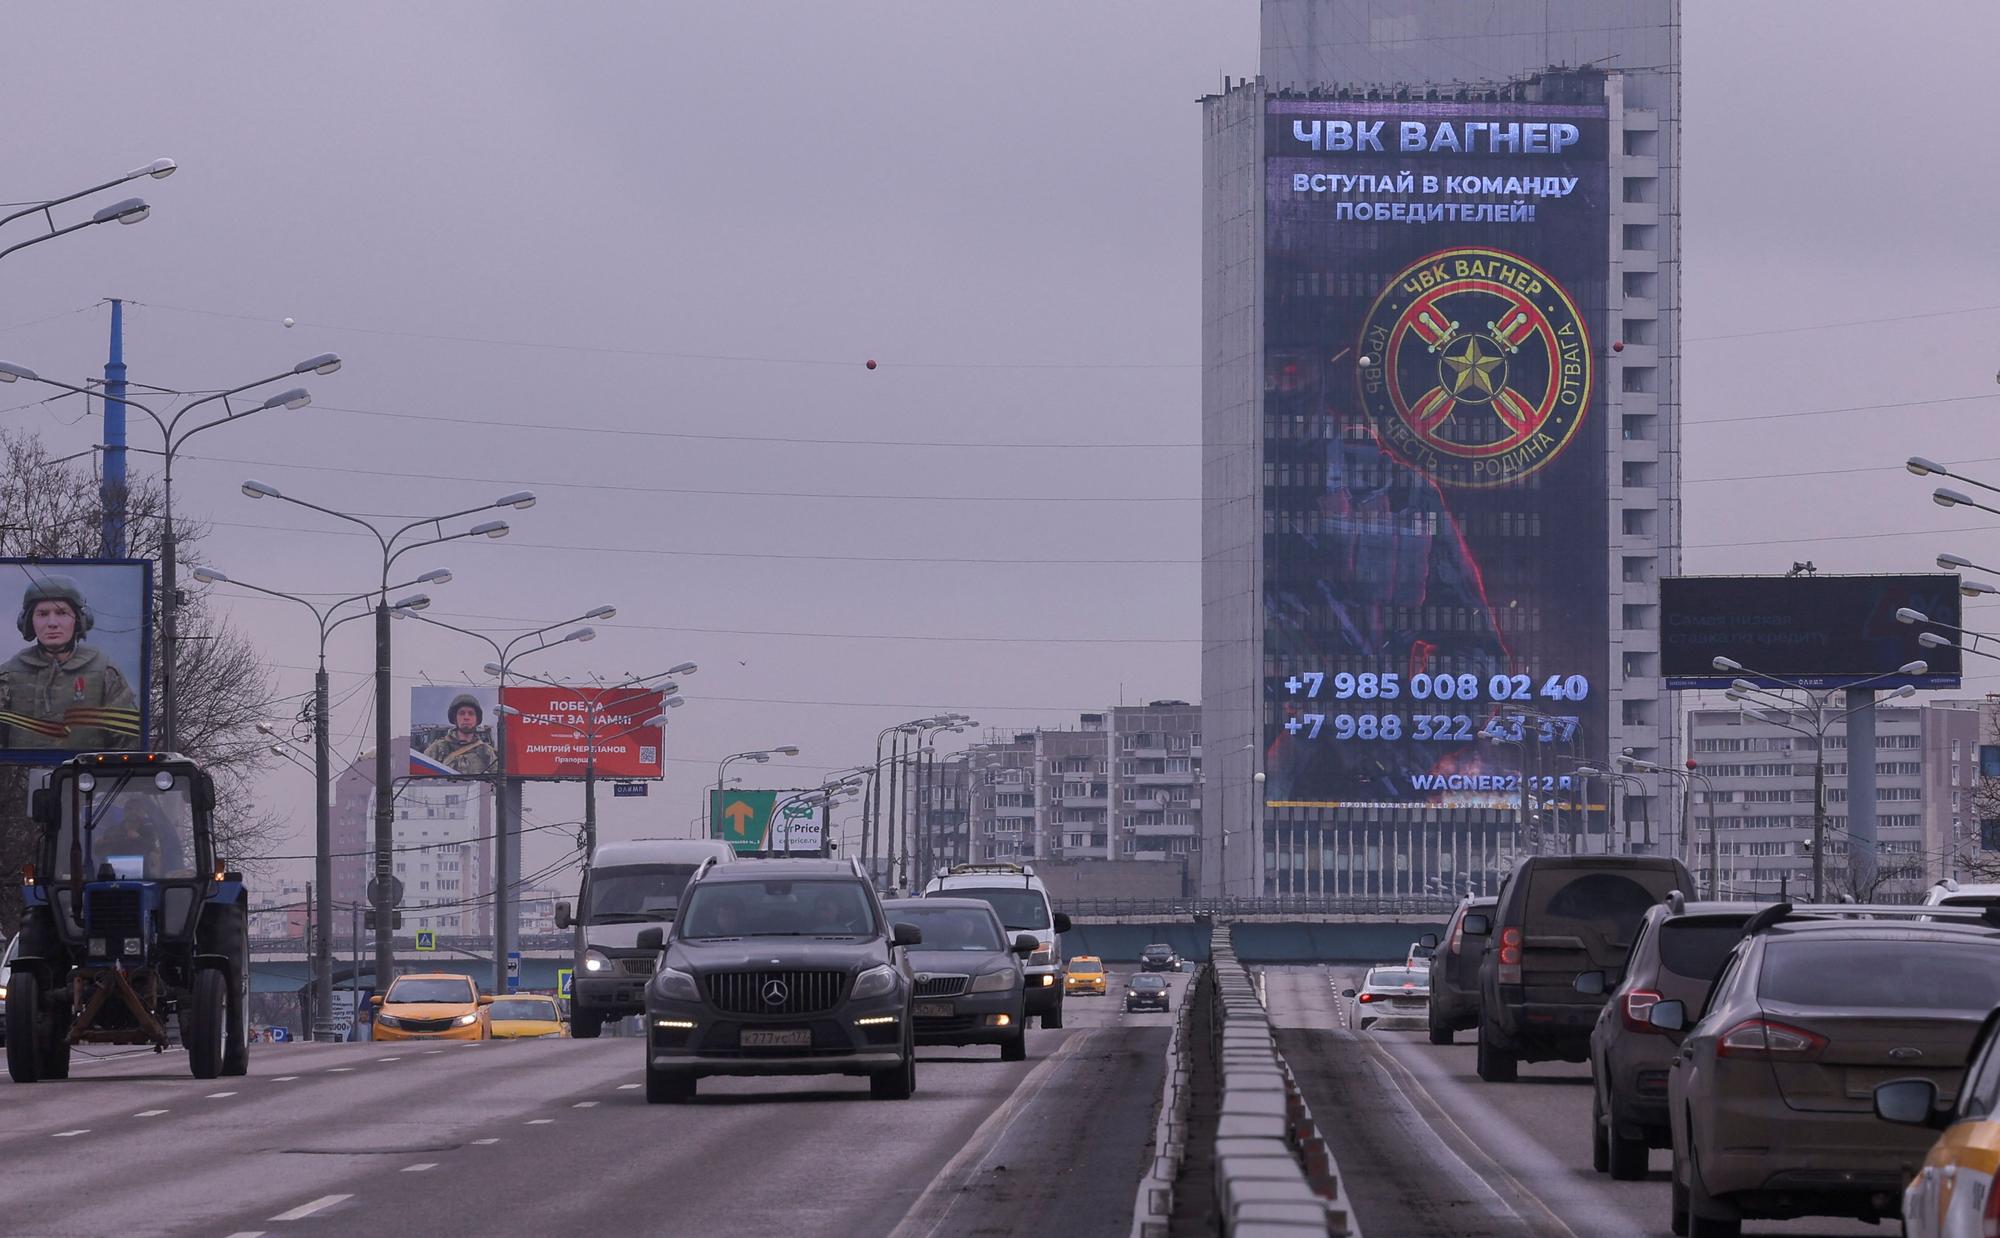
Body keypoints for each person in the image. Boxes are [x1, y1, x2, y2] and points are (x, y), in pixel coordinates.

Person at [0, 575, 139, 752]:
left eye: (61, 613)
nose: (52, 623)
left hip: (84, 777)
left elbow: (128, 742)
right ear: (28, 621)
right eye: (42, 614)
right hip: (20, 777)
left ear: (79, 619)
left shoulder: (105, 673)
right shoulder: (9, 674)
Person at [421, 693, 498, 775]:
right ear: (455, 719)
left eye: (471, 713)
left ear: (477, 719)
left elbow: (495, 780)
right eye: (461, 713)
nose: (466, 717)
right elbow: (421, 776)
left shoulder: (486, 752)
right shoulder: (437, 749)